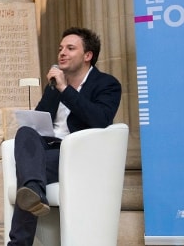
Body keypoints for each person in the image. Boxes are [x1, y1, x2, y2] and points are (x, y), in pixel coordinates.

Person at [7, 28, 122, 246]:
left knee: (28, 174)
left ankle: (19, 239)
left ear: (87, 56)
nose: (62, 53)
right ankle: (34, 192)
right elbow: (40, 119)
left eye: (70, 48)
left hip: (79, 155)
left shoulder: (107, 84)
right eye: (60, 48)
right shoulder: (53, 87)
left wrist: (64, 88)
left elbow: (100, 119)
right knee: (25, 132)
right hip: (50, 150)